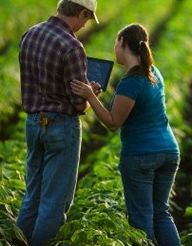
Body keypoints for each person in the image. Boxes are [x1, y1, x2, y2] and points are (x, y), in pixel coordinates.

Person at [70, 23, 181, 245]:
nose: (114, 47)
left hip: (141, 155)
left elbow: (113, 122)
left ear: (122, 43)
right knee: (161, 213)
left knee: (141, 219)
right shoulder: (153, 73)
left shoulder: (131, 83)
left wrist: (91, 97)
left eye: (116, 42)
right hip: (169, 151)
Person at [16, 0, 102, 246]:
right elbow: (78, 104)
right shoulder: (72, 47)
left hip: (33, 123)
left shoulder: (29, 35)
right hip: (61, 127)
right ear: (83, 13)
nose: (86, 25)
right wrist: (91, 94)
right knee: (55, 203)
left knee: (33, 197)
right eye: (87, 19)